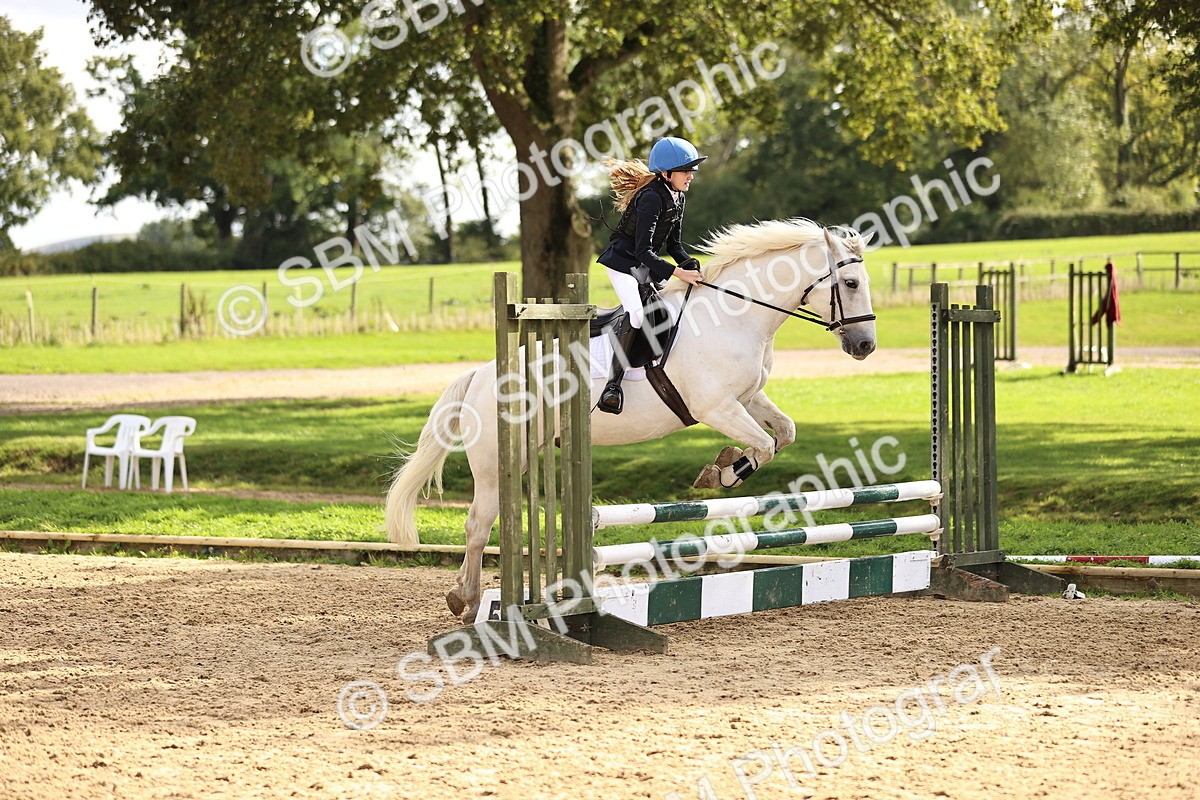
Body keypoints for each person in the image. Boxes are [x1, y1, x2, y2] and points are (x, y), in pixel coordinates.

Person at [596, 136, 705, 414]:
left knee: (669, 306)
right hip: (623, 262)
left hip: (645, 264)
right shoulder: (651, 198)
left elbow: (674, 246)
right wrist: (677, 272)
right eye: (685, 171)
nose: (690, 176)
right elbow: (643, 251)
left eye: (691, 170)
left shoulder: (678, 197)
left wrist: (689, 263)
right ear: (667, 173)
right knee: (635, 314)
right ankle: (613, 385)